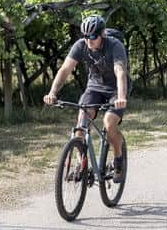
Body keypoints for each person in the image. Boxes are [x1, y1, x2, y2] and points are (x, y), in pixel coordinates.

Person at [43, 14, 130, 182]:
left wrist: (121, 97)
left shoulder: (115, 46)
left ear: (102, 34)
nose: (89, 40)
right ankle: (80, 164)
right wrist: (52, 92)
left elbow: (120, 72)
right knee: (81, 123)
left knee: (109, 122)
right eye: (85, 36)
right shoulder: (81, 46)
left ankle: (119, 159)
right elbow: (65, 70)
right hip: (94, 87)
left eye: (93, 36)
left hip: (115, 89)